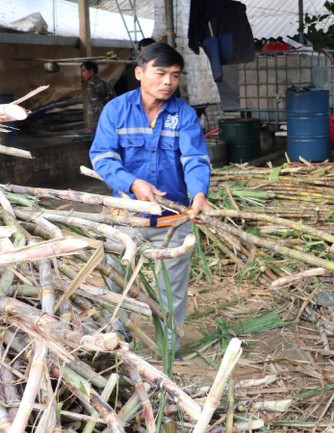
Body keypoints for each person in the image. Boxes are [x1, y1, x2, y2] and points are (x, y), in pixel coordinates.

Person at [89, 43, 212, 354]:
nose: (168, 82)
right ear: (140, 73)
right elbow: (102, 157)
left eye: (174, 75)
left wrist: (199, 193)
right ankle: (117, 340)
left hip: (172, 218)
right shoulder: (115, 110)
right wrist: (132, 183)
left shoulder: (182, 114)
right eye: (160, 74)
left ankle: (169, 349)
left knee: (172, 289)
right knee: (116, 279)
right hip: (125, 214)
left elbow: (195, 157)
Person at [81, 61, 116, 138]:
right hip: (108, 119)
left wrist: (104, 119)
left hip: (98, 121)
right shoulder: (104, 82)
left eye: (84, 71)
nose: (83, 74)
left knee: (98, 145)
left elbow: (97, 104)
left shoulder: (92, 84)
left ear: (91, 71)